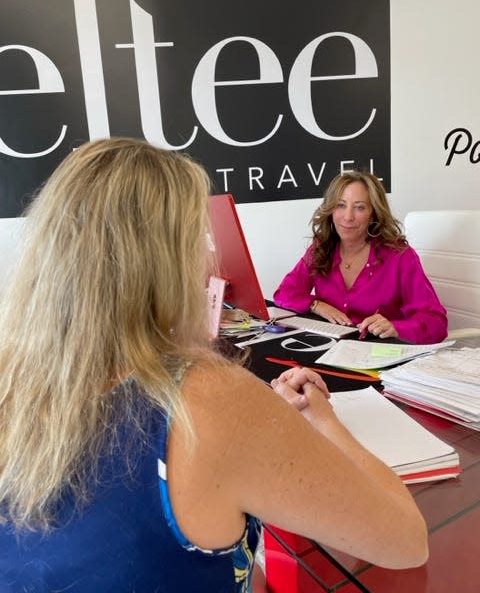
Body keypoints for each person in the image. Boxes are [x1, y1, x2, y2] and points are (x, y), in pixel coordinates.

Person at [0, 139, 428, 593]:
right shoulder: (207, 395)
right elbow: (407, 539)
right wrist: (320, 418)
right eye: (198, 240)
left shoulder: (14, 373)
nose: (209, 257)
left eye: (359, 207)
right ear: (165, 260)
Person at [273, 171, 448, 344]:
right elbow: (284, 292)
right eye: (341, 205)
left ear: (373, 213)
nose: (348, 217)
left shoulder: (399, 256)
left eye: (359, 207)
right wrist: (316, 305)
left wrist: (396, 327)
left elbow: (436, 323)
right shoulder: (321, 247)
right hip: (330, 348)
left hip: (381, 353)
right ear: (331, 209)